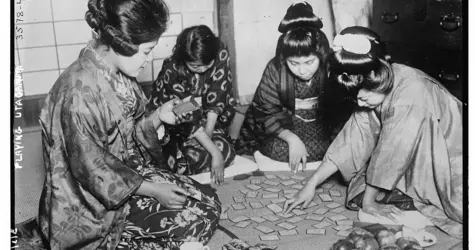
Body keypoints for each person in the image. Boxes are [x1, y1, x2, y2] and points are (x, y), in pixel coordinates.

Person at [37, 1, 221, 249]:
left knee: (209, 202)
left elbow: (128, 134)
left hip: (130, 174)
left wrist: (157, 118)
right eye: (146, 51)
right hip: (92, 202)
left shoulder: (117, 71)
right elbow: (94, 171)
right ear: (120, 43)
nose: (149, 59)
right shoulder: (77, 94)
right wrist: (154, 190)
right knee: (194, 222)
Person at [284, 26, 463, 239]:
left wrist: (370, 204)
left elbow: (391, 154)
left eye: (363, 98)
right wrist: (310, 185)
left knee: (451, 205)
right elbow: (350, 140)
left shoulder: (410, 96)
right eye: (355, 99)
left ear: (374, 75)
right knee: (361, 189)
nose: (359, 103)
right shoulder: (377, 84)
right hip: (410, 152)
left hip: (454, 157)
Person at [236, 2, 349, 171]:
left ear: (322, 54)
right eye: (294, 63)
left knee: (335, 146)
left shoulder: (331, 67)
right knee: (279, 150)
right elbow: (266, 113)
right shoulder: (275, 68)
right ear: (284, 59)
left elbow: (341, 111)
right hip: (285, 121)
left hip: (321, 120)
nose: (302, 70)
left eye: (309, 62)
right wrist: (292, 139)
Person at [150, 25, 237, 185]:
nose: (202, 70)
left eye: (207, 64)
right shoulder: (172, 70)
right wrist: (214, 152)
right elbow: (186, 116)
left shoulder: (220, 52)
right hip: (174, 127)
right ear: (184, 59)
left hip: (205, 122)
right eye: (195, 66)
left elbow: (218, 94)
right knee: (167, 161)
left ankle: (194, 152)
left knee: (225, 150)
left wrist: (210, 135)